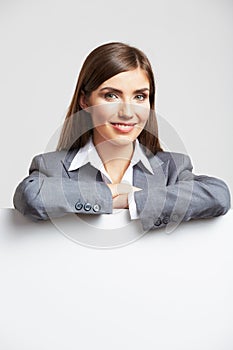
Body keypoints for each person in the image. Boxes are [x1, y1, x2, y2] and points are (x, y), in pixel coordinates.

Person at [13, 42, 231, 232]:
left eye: (139, 96)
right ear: (85, 101)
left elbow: (218, 195)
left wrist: (132, 200)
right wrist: (109, 194)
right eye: (111, 95)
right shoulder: (53, 166)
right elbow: (30, 196)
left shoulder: (171, 169)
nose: (127, 112)